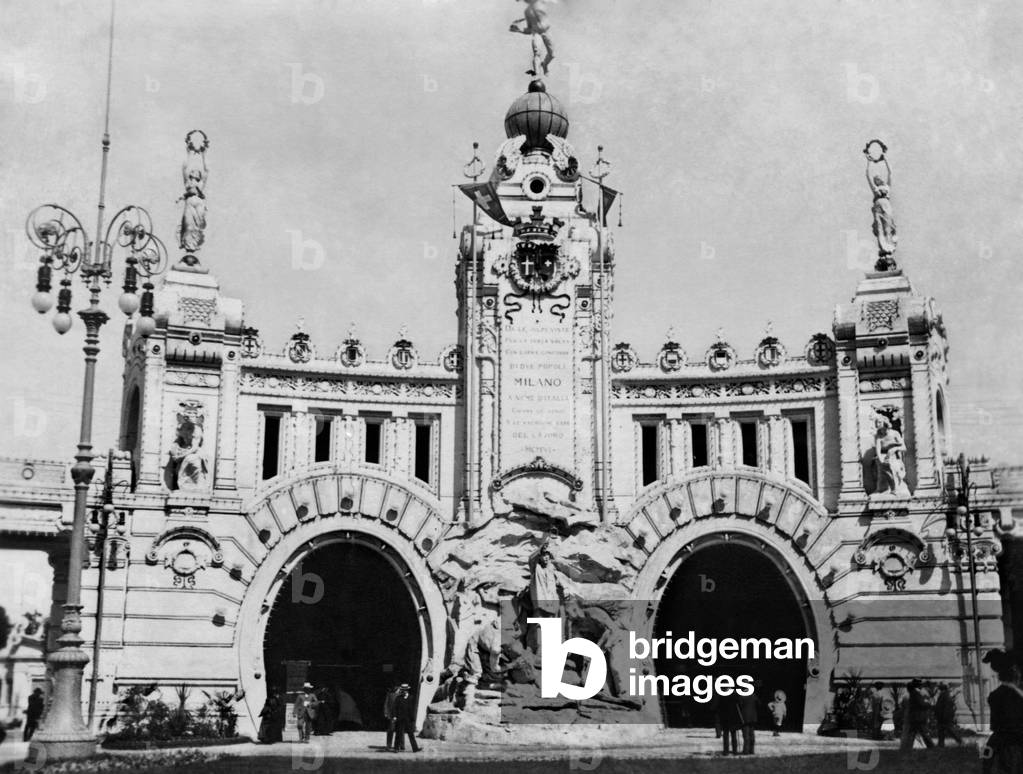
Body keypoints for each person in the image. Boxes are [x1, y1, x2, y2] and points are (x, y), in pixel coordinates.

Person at [983, 649, 1023, 774]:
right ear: (1015, 671)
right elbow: (1012, 726)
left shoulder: (1006, 693)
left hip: (1003, 745)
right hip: (1011, 749)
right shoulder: (1006, 696)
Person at [899, 679, 934, 751]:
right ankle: (931, 746)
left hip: (913, 717)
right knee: (923, 733)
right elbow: (921, 704)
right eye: (920, 684)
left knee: (912, 733)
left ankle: (907, 747)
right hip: (918, 717)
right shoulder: (916, 693)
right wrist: (929, 704)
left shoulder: (912, 693)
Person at [392, 683, 421, 753]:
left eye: (405, 690)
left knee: (411, 734)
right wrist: (394, 716)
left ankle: (415, 748)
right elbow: (395, 708)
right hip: (400, 718)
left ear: (407, 690)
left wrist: (413, 718)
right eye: (403, 690)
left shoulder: (411, 698)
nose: (404, 691)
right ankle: (396, 748)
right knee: (398, 734)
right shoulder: (398, 698)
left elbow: (412, 709)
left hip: (408, 719)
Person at [934, 682, 963, 747]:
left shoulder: (945, 695)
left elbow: (946, 707)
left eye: (939, 687)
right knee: (941, 731)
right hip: (942, 717)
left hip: (944, 717)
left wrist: (944, 717)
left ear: (941, 688)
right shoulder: (944, 694)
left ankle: (959, 740)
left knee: (949, 730)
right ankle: (941, 744)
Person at [738, 685, 759, 754]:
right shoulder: (753, 695)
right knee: (752, 734)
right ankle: (751, 750)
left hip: (744, 717)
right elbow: (758, 703)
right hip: (753, 717)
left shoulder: (741, 696)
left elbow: (740, 706)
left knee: (746, 735)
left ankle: (746, 751)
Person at [383, 682, 401, 751]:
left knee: (392, 730)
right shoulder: (393, 695)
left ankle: (390, 745)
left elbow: (385, 704)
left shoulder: (390, 695)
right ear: (397, 689)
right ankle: (396, 745)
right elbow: (386, 704)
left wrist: (386, 713)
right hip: (395, 715)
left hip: (394, 716)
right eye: (399, 689)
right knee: (395, 731)